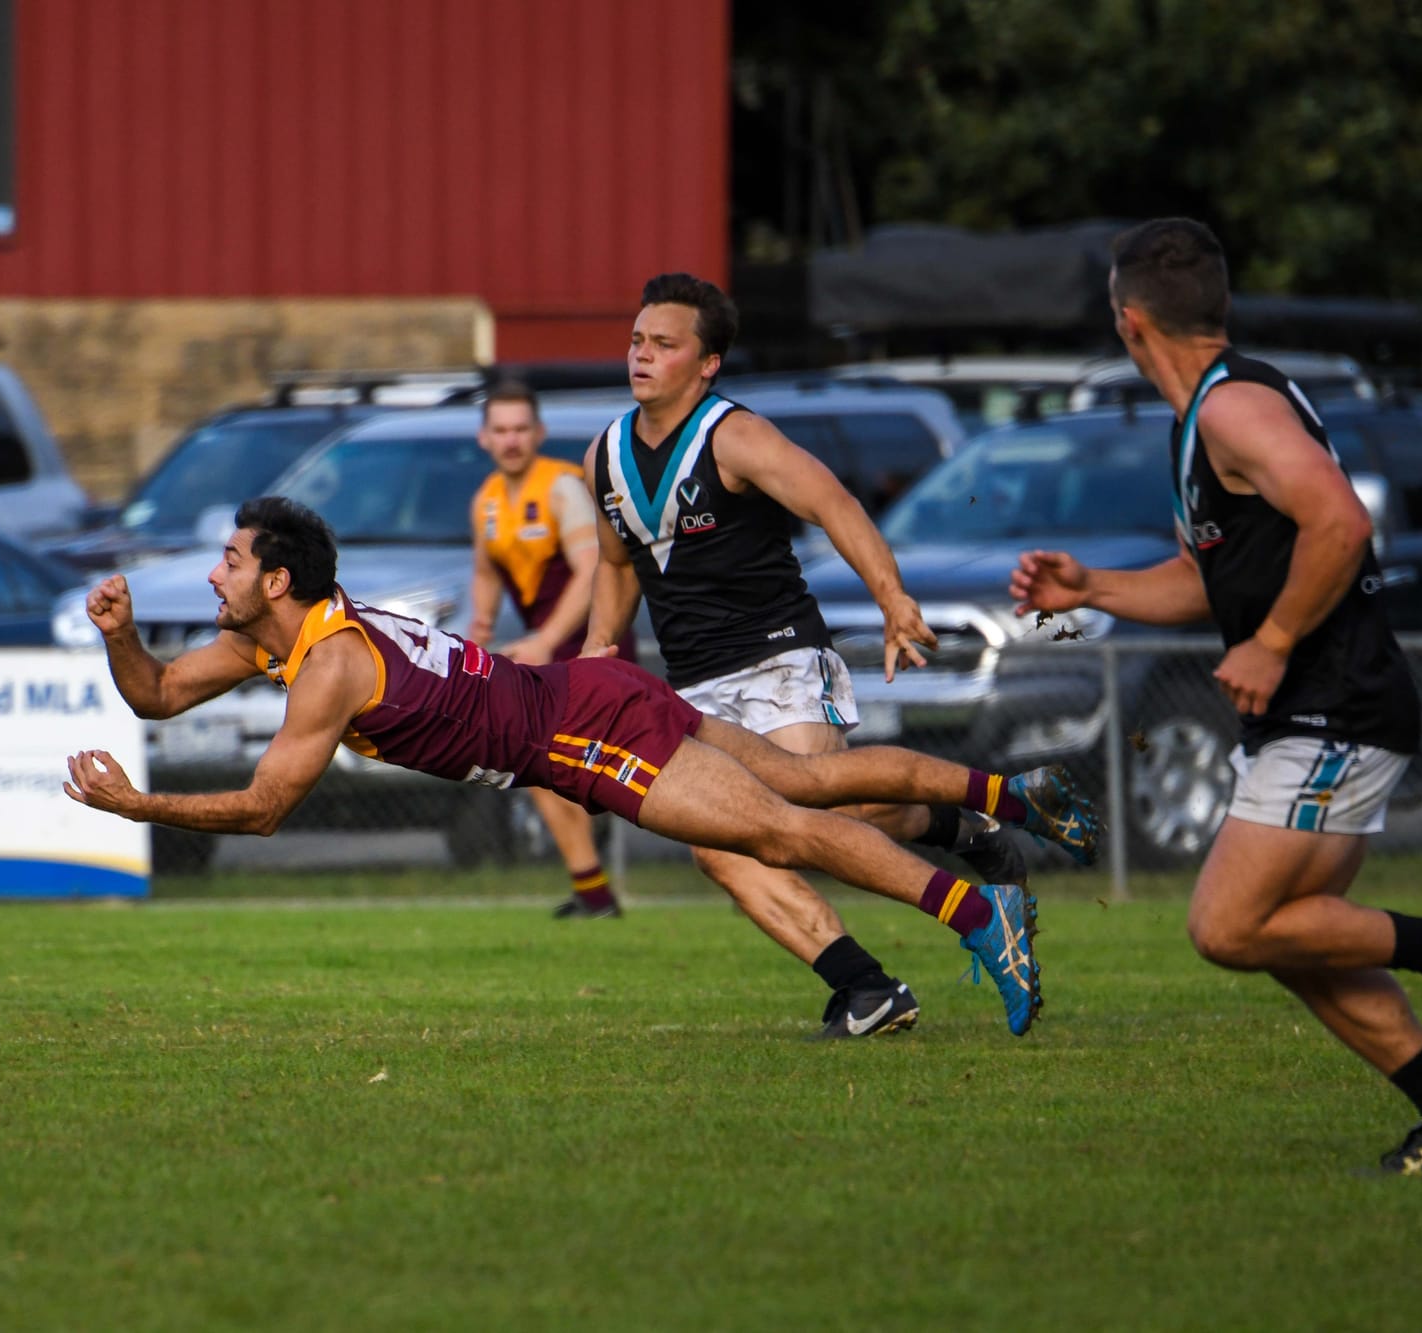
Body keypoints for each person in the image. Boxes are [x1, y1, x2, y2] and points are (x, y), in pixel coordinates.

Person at [65, 497, 1045, 1037]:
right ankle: (994, 821)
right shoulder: (282, 637)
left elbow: (268, 807)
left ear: (276, 581)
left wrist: (133, 804)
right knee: (803, 791)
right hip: (586, 699)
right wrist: (122, 635)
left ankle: (976, 912)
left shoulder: (325, 664)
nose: (212, 573)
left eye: (229, 561)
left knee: (775, 832)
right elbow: (154, 692)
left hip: (577, 730)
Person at [1009, 218, 1422, 1174]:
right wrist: (1091, 591)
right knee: (1293, 942)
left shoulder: (1230, 411)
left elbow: (1341, 519)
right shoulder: (1207, 413)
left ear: (1127, 322)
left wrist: (1276, 641)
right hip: (1317, 708)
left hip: (1337, 703)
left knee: (1227, 924)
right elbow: (1214, 578)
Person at [579, 272, 1098, 1035]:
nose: (643, 355)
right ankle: (871, 983)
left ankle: (998, 814)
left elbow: (834, 503)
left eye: (664, 343)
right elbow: (619, 562)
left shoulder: (736, 435)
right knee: (721, 849)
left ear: (708, 362)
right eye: (636, 340)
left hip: (777, 656)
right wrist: (597, 652)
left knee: (805, 807)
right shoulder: (604, 454)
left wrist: (891, 598)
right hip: (693, 682)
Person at [467, 382, 634, 919]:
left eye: (521, 429)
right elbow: (485, 570)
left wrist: (544, 640)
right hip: (545, 656)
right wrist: (478, 631)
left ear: (537, 434)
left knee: (581, 770)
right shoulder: (488, 500)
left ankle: (599, 884)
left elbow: (591, 572)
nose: (512, 439)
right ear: (484, 437)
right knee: (536, 766)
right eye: (501, 429)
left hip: (589, 648)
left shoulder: (562, 486)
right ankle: (594, 893)